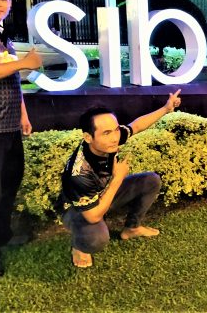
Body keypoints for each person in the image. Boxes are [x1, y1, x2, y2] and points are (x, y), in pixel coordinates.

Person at [61, 90, 181, 269]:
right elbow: (93, 216)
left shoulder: (108, 142)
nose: (115, 138)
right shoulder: (79, 173)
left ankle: (131, 228)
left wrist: (166, 108)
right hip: (77, 209)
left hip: (102, 193)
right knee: (97, 238)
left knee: (151, 181)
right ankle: (79, 246)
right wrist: (118, 178)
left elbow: (136, 126)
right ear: (88, 137)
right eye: (106, 133)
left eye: (116, 130)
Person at [0, 0, 42, 279]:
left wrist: (23, 114)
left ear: (10, 3)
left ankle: (1, 235)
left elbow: (12, 81)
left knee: (9, 185)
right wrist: (23, 63)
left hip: (9, 127)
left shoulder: (2, 36)